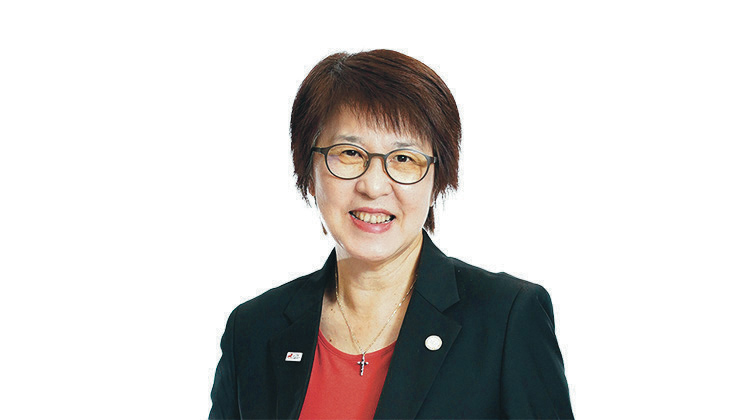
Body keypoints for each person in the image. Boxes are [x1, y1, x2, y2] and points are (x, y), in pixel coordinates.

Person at [209, 49, 574, 419]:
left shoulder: (506, 318)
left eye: (403, 159)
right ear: (308, 168)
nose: (373, 186)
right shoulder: (253, 330)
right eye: (349, 153)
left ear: (437, 178)